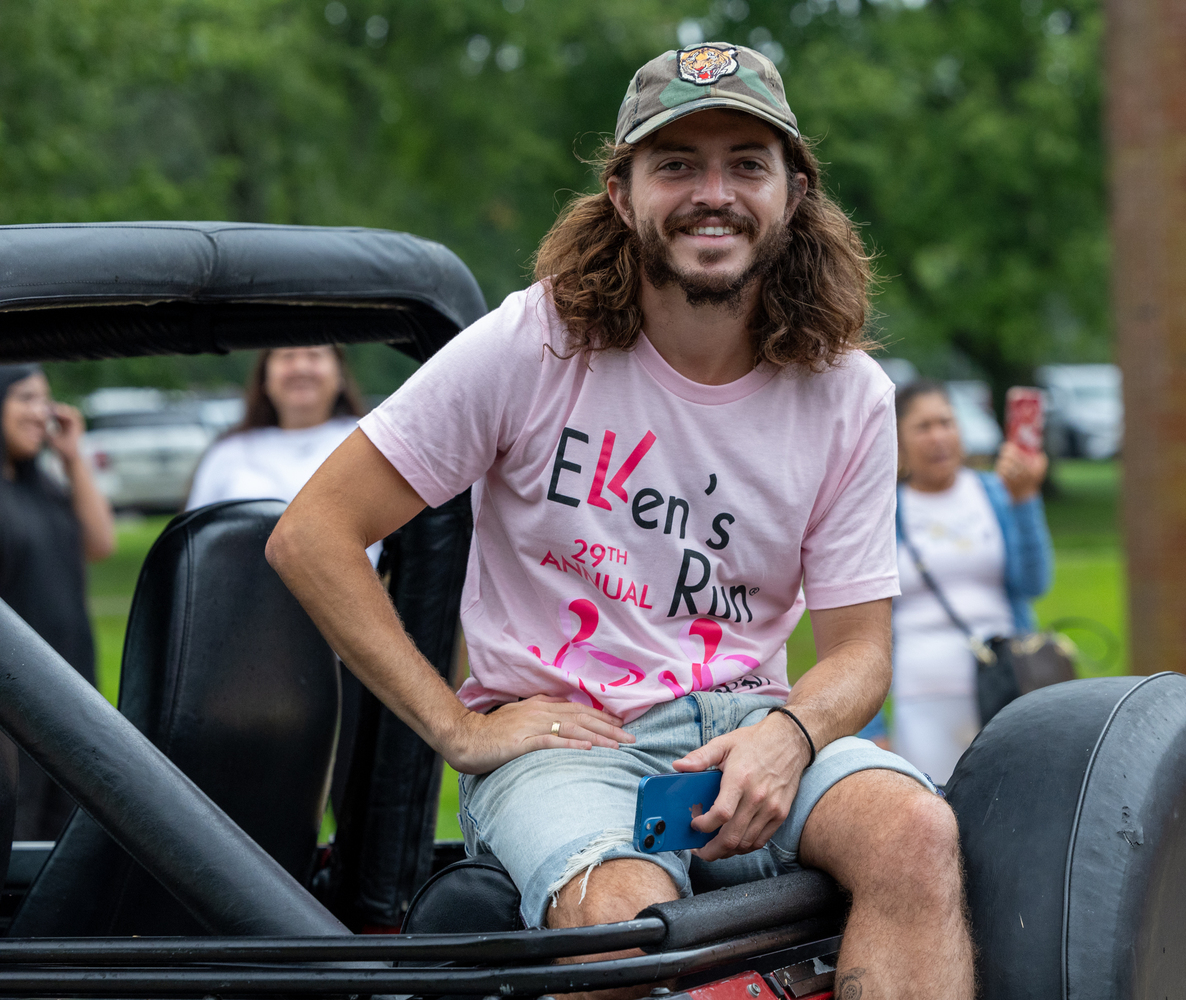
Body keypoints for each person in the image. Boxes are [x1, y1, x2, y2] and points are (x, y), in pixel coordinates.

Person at [268, 43, 971, 1000]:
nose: (711, 192)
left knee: (916, 832)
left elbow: (859, 653)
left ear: (795, 193)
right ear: (622, 189)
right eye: (676, 164)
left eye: (746, 165)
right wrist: (458, 733)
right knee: (631, 919)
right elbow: (312, 532)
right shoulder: (535, 343)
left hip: (755, 725)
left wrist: (792, 734)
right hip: (572, 741)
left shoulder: (848, 393)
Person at [891, 379, 1052, 785]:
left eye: (946, 422)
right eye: (923, 427)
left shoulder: (995, 493)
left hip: (1004, 689)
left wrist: (1025, 499)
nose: (938, 437)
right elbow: (862, 621)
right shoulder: (886, 510)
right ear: (898, 441)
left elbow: (1034, 582)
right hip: (921, 696)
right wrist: (871, 727)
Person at [0, 363, 116, 839]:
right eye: (26, 398)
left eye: (46, 399)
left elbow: (100, 542)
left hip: (69, 692)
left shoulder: (42, 486)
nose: (42, 411)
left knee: (65, 842)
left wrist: (72, 459)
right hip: (13, 710)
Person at [186, 345, 367, 511]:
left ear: (340, 373)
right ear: (264, 376)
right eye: (287, 356)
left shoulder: (369, 442)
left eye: (314, 356)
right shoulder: (228, 451)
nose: (300, 367)